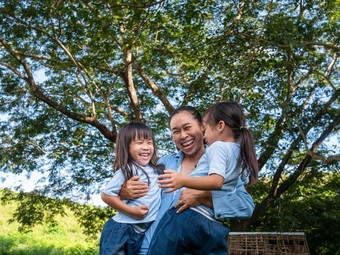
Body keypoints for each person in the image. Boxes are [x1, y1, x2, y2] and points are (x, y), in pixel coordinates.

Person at [147, 101, 258, 254]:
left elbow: (246, 206)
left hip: (198, 230)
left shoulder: (220, 154)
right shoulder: (163, 164)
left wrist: (205, 197)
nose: (183, 135)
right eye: (176, 131)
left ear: (201, 127)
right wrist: (123, 191)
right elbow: (144, 198)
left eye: (187, 127)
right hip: (160, 242)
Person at [99, 122, 164, 255]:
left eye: (149, 143)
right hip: (121, 230)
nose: (146, 147)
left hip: (140, 233)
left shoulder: (157, 170)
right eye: (139, 143)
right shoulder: (128, 169)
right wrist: (131, 211)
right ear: (127, 147)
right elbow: (106, 195)